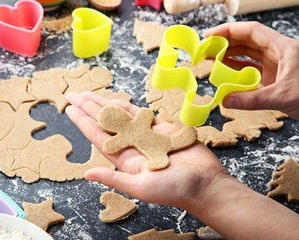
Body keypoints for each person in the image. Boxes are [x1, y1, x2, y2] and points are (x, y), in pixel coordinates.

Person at [65, 21, 299, 240]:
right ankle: (179, 142)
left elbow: (135, 125)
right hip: (157, 148)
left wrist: (208, 189)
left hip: (160, 144)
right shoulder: (127, 133)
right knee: (162, 150)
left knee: (169, 145)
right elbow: (120, 138)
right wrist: (209, 188)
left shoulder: (132, 128)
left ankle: (180, 140)